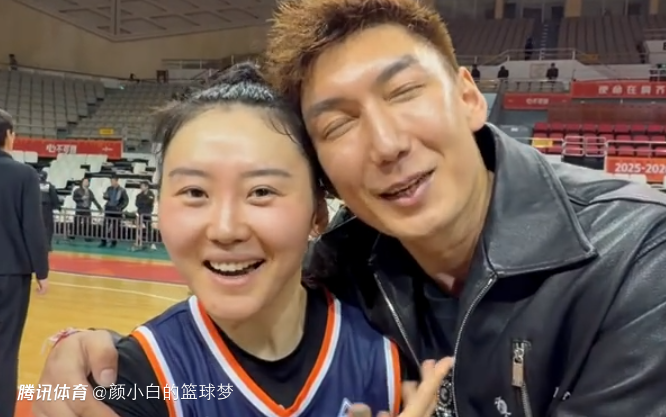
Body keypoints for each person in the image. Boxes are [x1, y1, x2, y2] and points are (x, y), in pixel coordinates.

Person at [36, 0, 666, 417]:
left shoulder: (650, 254)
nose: (386, 143)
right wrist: (84, 353)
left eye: (404, 93)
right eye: (337, 123)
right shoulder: (345, 268)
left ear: (469, 96)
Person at [39, 65, 449, 417]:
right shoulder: (132, 381)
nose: (225, 228)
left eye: (261, 192)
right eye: (195, 192)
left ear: (318, 213)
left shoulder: (392, 357)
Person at [0, 109, 48, 417]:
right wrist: (41, 269)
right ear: (8, 135)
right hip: (11, 272)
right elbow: (32, 226)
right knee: (5, 350)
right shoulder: (24, 175)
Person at [100, 176, 128, 247]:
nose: (111, 183)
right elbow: (106, 197)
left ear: (116, 181)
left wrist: (120, 207)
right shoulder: (109, 188)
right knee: (105, 226)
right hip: (109, 209)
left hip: (116, 211)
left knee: (115, 227)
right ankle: (103, 241)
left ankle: (113, 242)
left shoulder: (122, 190)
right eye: (111, 181)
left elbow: (126, 201)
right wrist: (105, 196)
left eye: (112, 181)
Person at [39, 170, 61, 250]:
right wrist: (57, 207)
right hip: (44, 207)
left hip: (39, 207)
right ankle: (46, 245)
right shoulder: (48, 185)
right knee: (47, 227)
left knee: (41, 226)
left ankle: (41, 244)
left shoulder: (34, 185)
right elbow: (54, 197)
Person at [133, 181, 155, 250]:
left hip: (147, 214)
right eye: (141, 186)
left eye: (142, 186)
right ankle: (138, 242)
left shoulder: (151, 194)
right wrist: (143, 202)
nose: (141, 187)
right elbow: (137, 204)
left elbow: (149, 202)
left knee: (149, 229)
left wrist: (142, 202)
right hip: (140, 213)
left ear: (147, 187)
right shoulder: (139, 195)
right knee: (138, 229)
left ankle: (151, 243)